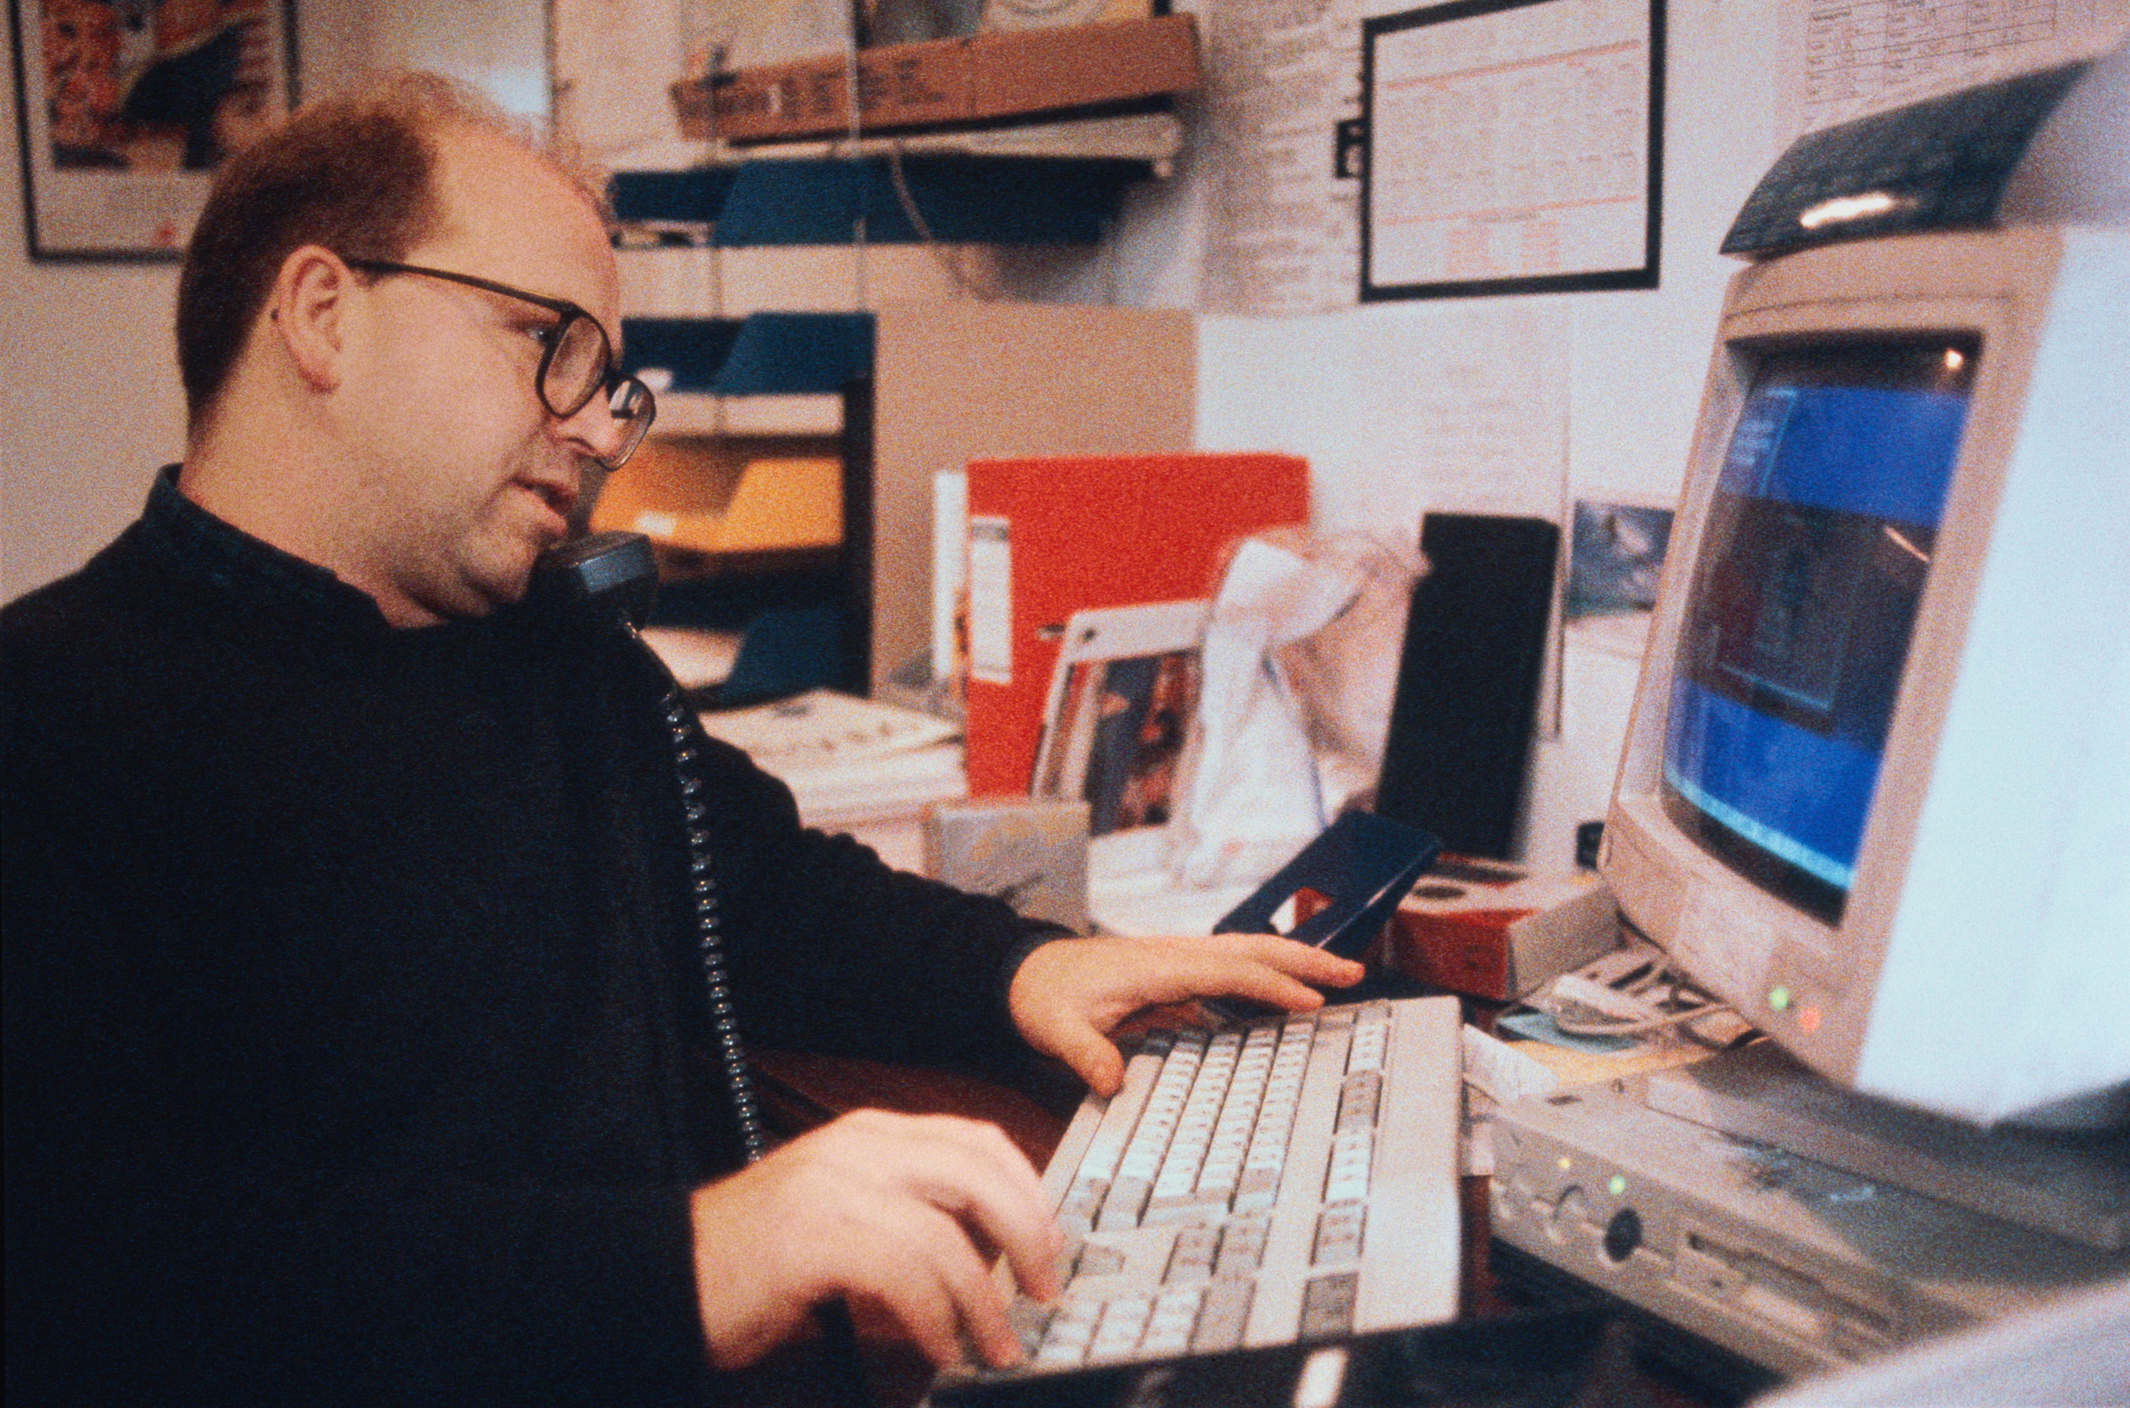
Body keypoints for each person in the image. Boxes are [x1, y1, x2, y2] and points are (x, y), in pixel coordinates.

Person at [2, 74, 1363, 1406]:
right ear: (321, 315)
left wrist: (1025, 970)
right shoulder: (50, 722)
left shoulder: (550, 653)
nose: (597, 430)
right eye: (555, 347)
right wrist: (693, 1261)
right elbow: (104, 1279)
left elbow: (763, 895)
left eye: (610, 380)